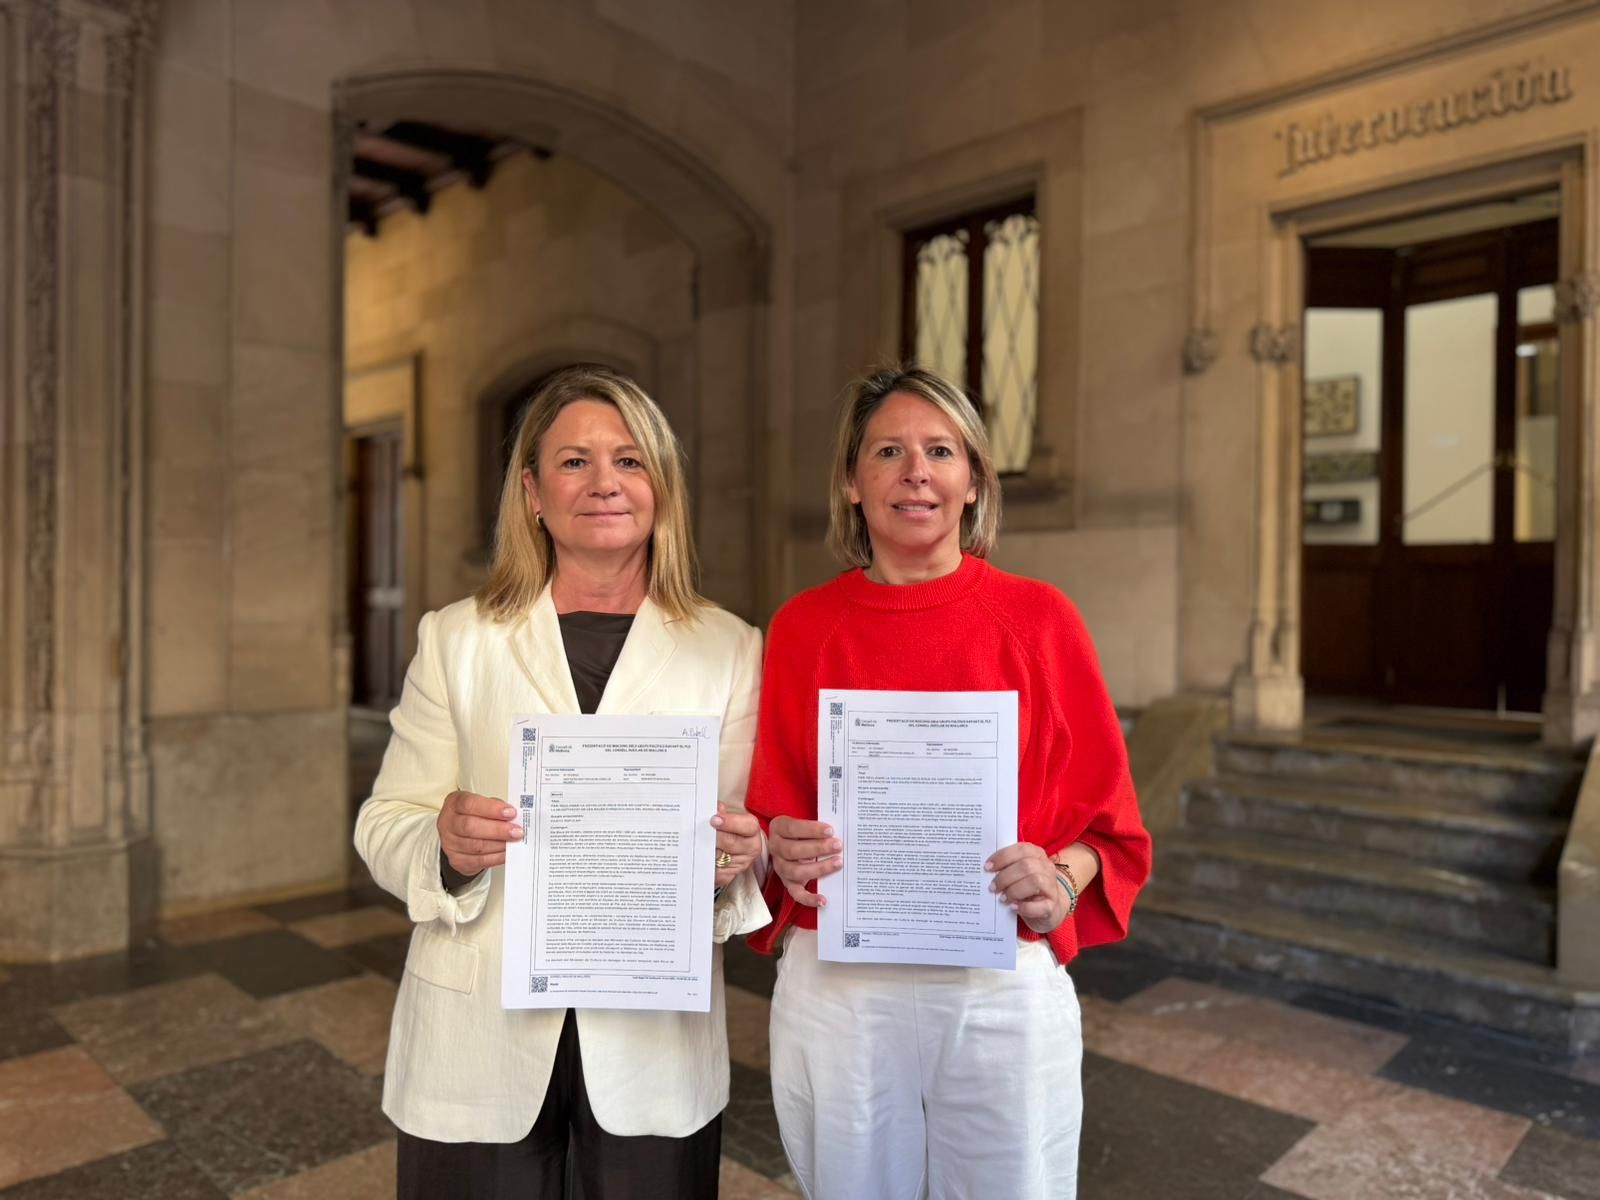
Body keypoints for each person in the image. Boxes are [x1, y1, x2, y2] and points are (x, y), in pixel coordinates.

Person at [355, 364, 769, 1200]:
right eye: (574, 461)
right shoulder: (458, 639)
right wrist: (445, 847)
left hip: (653, 1043)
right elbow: (384, 820)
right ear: (533, 492)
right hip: (476, 1037)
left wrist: (731, 860)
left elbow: (739, 848)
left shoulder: (730, 648)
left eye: (629, 460)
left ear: (661, 487)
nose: (604, 482)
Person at [745, 365, 1152, 1200]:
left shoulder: (1040, 620)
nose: (915, 473)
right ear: (852, 483)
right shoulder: (801, 629)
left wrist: (1060, 879)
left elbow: (1110, 830)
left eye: (940, 451)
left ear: (974, 482)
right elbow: (766, 824)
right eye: (887, 452)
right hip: (842, 986)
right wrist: (778, 849)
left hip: (998, 981)